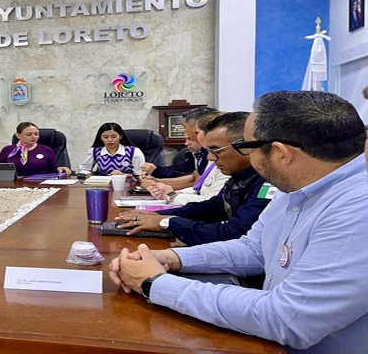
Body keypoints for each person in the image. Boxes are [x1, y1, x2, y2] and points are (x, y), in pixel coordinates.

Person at [110, 91, 368, 353]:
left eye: (247, 146)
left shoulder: (358, 207)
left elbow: (287, 319)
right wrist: (171, 258)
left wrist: (154, 283)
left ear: (281, 153)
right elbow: (254, 249)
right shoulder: (298, 187)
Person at [116, 112, 272, 246]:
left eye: (216, 150)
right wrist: (159, 216)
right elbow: (214, 207)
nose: (211, 157)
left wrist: (168, 222)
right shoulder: (240, 177)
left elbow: (234, 234)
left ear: (244, 146)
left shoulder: (268, 182)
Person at [147, 111, 230, 205]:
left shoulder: (226, 161)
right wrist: (173, 193)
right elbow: (199, 188)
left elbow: (212, 202)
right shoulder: (211, 157)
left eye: (197, 132)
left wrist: (172, 195)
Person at [141, 107, 214, 180]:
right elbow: (181, 170)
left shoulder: (210, 154)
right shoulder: (198, 153)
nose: (185, 131)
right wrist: (155, 171)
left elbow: (194, 180)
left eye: (185, 127)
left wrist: (157, 177)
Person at [0, 122, 71, 177]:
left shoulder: (46, 150)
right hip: (14, 186)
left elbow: (53, 172)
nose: (34, 137)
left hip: (40, 185)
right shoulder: (7, 150)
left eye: (36, 134)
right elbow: (0, 172)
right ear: (18, 135)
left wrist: (60, 169)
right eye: (29, 135)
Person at [78, 122, 145, 176]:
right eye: (105, 137)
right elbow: (84, 169)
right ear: (101, 138)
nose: (110, 140)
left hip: (127, 186)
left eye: (114, 136)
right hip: (102, 186)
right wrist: (89, 175)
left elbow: (140, 175)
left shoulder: (133, 151)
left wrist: (125, 175)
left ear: (120, 136)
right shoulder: (94, 151)